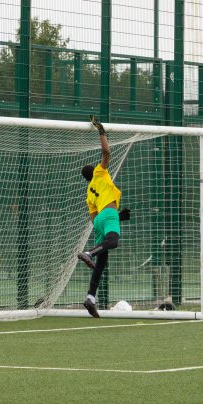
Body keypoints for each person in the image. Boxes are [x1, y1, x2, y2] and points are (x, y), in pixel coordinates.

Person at [77, 116, 129, 318]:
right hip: (107, 215)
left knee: (102, 262)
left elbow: (93, 219)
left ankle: (90, 297)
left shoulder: (89, 192)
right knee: (113, 241)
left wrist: (117, 217)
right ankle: (89, 253)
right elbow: (107, 152)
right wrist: (102, 131)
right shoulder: (100, 172)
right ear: (94, 171)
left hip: (99, 220)